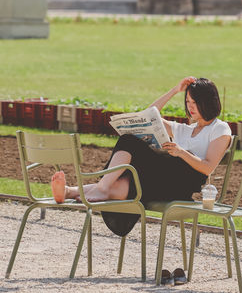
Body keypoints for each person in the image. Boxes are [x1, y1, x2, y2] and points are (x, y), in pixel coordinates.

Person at [51, 76, 232, 238]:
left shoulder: (220, 128)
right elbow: (148, 116)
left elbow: (208, 167)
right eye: (188, 101)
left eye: (195, 102)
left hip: (183, 184)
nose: (190, 107)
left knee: (130, 143)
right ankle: (71, 191)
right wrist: (175, 90)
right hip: (162, 179)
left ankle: (94, 189)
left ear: (208, 102)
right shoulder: (185, 129)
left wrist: (180, 152)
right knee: (128, 174)